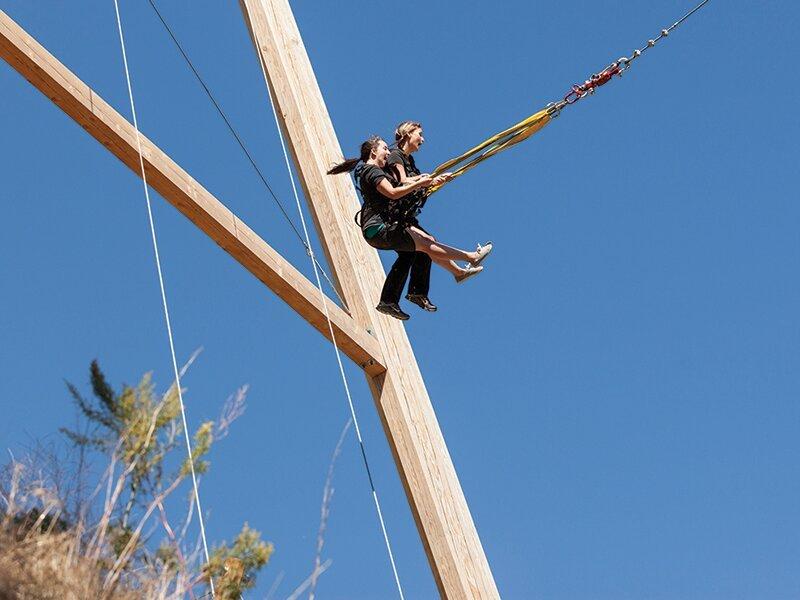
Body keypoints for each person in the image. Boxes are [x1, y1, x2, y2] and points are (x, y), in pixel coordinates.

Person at [327, 135, 492, 320]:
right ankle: (470, 257)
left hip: (380, 230)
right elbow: (393, 193)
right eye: (384, 149)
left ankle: (389, 301)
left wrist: (429, 182)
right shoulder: (371, 172)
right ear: (373, 151)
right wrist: (421, 183)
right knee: (424, 243)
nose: (388, 153)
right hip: (379, 229)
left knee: (414, 252)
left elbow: (402, 186)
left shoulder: (377, 173)